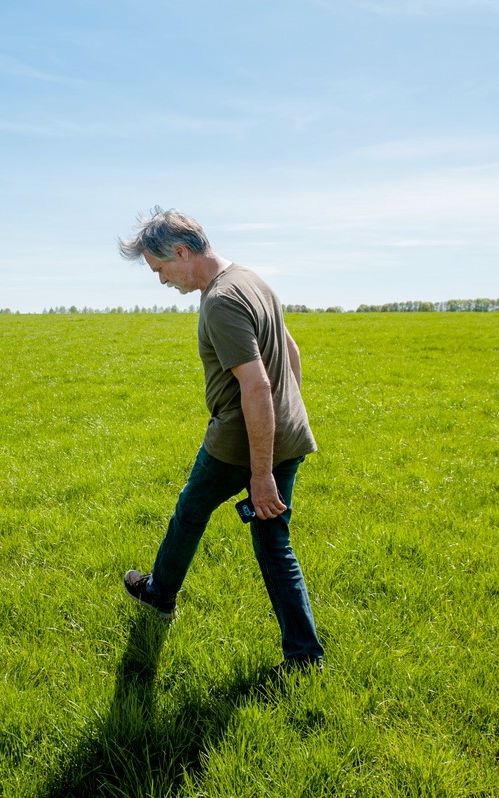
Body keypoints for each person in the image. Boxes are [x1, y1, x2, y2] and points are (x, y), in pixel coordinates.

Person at [117, 206, 325, 670]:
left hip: (239, 442)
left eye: (160, 268)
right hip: (287, 434)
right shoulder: (252, 280)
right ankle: (305, 657)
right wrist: (288, 421)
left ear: (182, 251)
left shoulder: (221, 300)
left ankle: (158, 595)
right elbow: (291, 351)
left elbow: (254, 386)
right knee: (274, 544)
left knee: (191, 510)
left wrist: (260, 472)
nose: (162, 280)